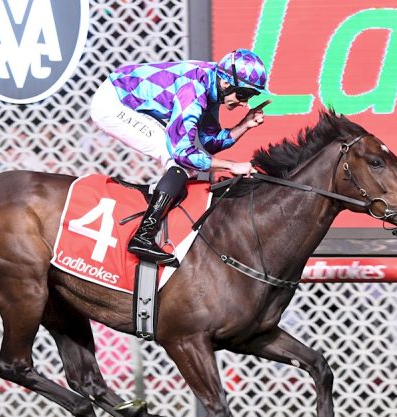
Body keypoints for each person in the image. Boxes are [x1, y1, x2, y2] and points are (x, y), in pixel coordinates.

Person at [89, 48, 268, 264]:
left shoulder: (211, 84)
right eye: (243, 94)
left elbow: (208, 144)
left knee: (191, 163)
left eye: (251, 96)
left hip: (126, 97)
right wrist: (231, 166)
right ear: (225, 83)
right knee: (180, 162)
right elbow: (183, 154)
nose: (245, 103)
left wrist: (245, 125)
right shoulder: (194, 89)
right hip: (113, 103)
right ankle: (143, 236)